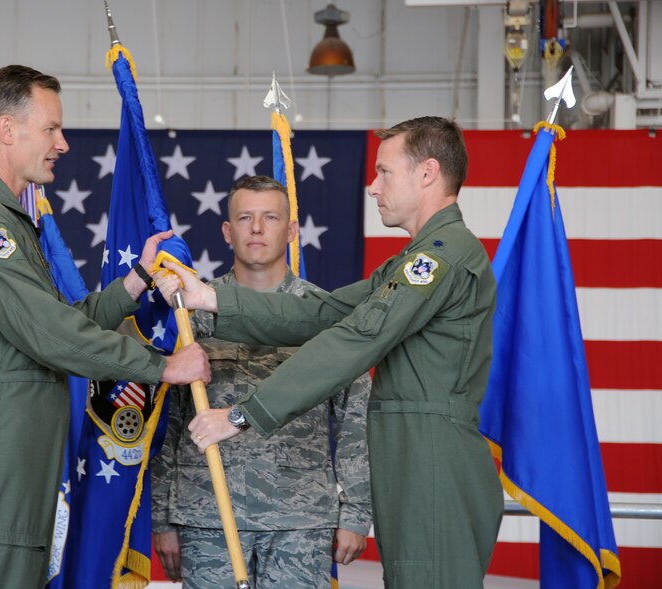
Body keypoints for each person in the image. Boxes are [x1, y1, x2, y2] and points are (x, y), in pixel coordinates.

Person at [157, 117, 504, 589]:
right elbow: (323, 313)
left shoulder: (438, 257)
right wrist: (210, 299)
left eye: (385, 172)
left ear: (427, 172)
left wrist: (241, 416)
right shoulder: (414, 258)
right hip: (411, 449)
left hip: (431, 455)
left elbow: (357, 338)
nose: (373, 186)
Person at [0, 65, 210, 589]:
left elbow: (57, 320)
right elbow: (50, 336)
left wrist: (136, 280)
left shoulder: (6, 221)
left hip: (15, 441)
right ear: (7, 129)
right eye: (52, 128)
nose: (64, 143)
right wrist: (162, 366)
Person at [150, 176, 372, 588]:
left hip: (300, 522)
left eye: (270, 217)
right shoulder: (190, 313)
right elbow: (169, 422)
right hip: (208, 517)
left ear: (290, 231)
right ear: (227, 231)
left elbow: (355, 419)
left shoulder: (324, 315)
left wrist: (357, 513)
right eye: (245, 217)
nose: (256, 228)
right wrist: (163, 515)